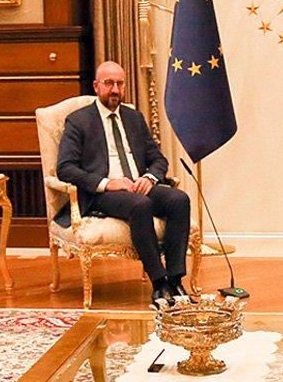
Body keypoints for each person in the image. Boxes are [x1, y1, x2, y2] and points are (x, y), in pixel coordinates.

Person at [56, 61, 191, 307]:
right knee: (140, 205)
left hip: (138, 186)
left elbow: (158, 159)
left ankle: (175, 279)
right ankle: (159, 283)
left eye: (120, 84)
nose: (115, 90)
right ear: (96, 86)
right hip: (102, 193)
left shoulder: (134, 118)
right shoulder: (78, 121)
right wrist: (107, 183)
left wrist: (149, 178)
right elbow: (65, 167)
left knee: (178, 199)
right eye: (109, 83)